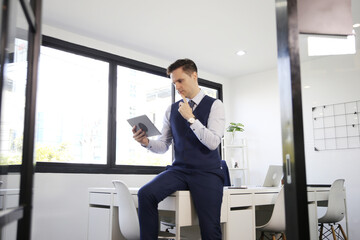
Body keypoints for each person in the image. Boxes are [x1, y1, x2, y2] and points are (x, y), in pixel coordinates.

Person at [132, 58, 225, 240]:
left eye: (180, 80)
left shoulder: (215, 105)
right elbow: (163, 145)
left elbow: (213, 142)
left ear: (194, 76)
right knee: (145, 194)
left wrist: (191, 119)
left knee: (209, 227)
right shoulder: (171, 110)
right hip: (180, 170)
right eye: (174, 82)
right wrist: (146, 142)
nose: (177, 86)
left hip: (207, 172)